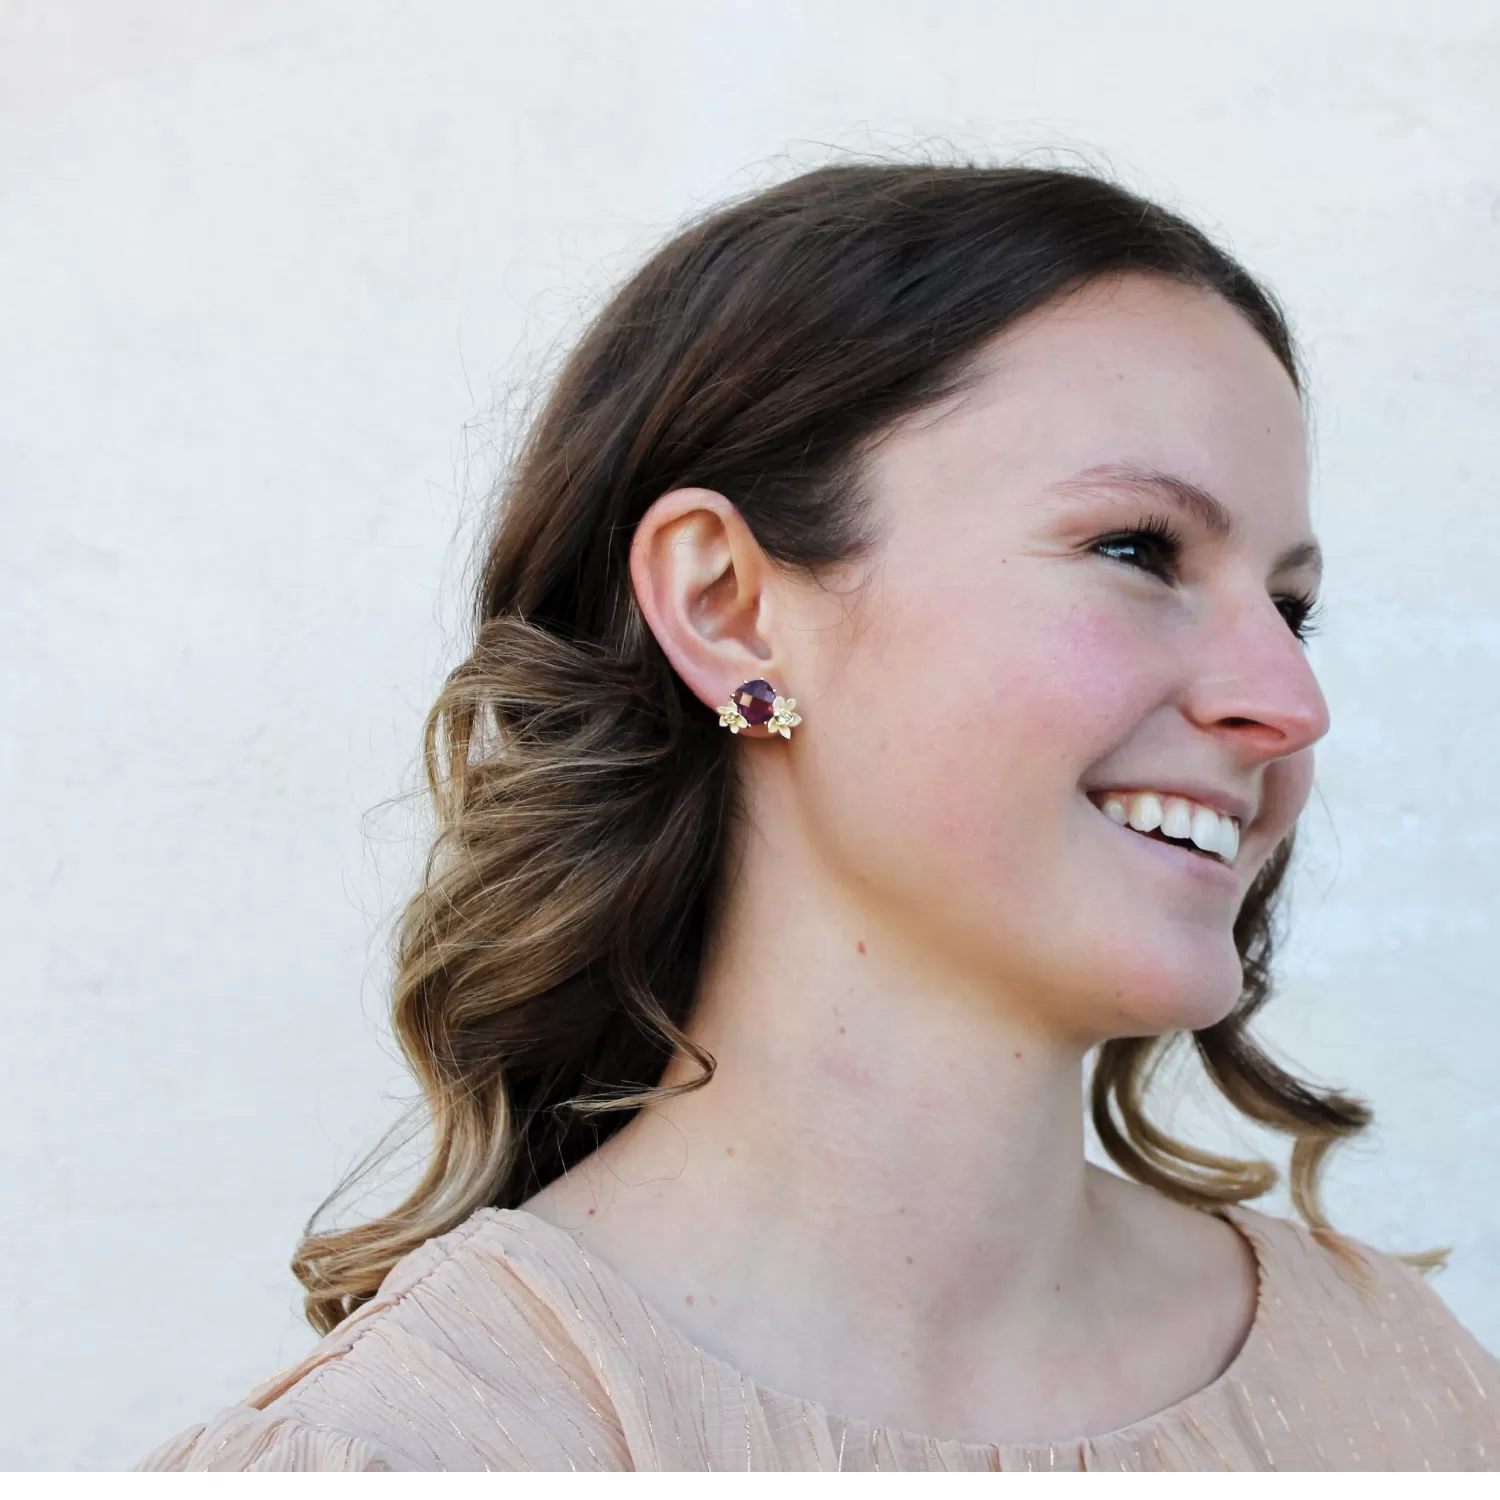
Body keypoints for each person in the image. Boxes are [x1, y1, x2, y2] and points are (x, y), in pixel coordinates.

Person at [139, 162, 1500, 1471]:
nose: (1289, 699)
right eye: (1139, 550)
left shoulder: (1408, 1393)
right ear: (730, 612)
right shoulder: (413, 1455)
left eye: (1293, 607)